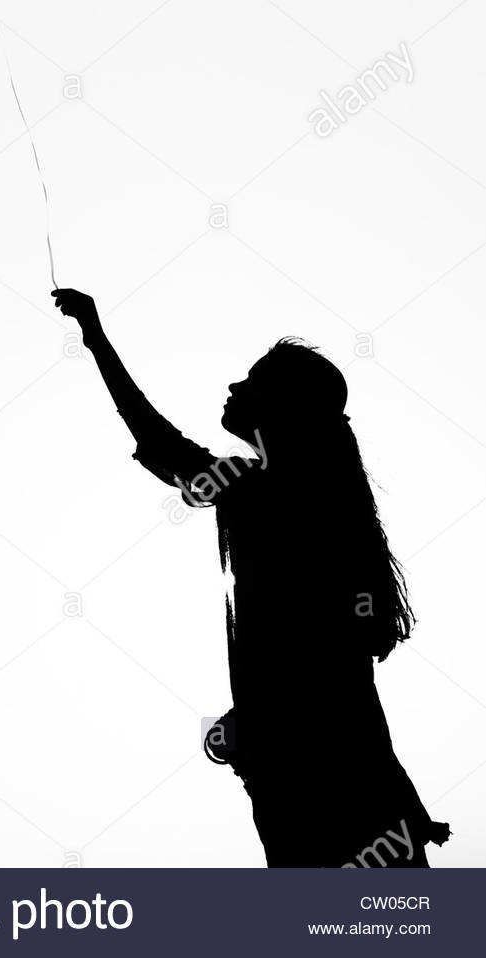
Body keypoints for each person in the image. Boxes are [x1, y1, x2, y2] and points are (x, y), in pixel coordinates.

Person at [52, 288, 451, 868]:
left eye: (252, 381)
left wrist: (94, 336)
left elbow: (160, 443)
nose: (235, 388)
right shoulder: (309, 496)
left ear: (283, 407)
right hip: (342, 769)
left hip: (310, 769)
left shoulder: (258, 490)